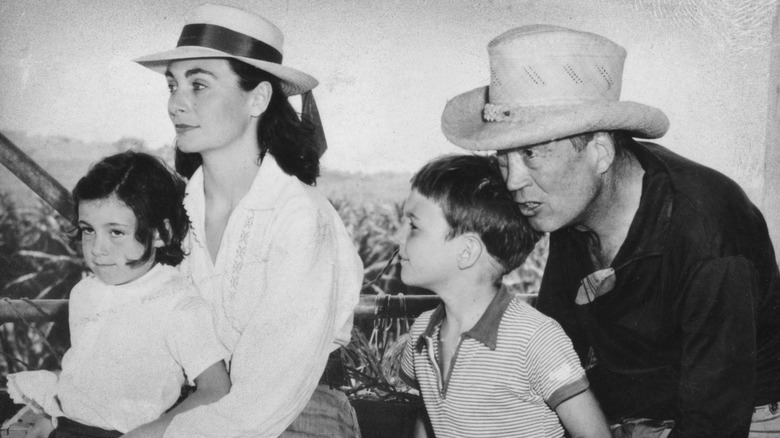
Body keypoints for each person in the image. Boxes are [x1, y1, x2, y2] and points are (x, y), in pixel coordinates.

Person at [441, 24, 780, 438]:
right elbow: (555, 346)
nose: (513, 181)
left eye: (531, 153)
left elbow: (715, 420)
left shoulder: (706, 230)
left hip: (744, 418)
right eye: (503, 158)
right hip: (638, 415)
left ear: (599, 151)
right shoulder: (570, 206)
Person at [133, 3, 363, 437]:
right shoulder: (175, 212)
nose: (175, 104)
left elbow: (271, 389)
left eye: (199, 85)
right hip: (195, 410)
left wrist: (160, 433)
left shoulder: (300, 216)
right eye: (172, 84)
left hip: (297, 415)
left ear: (258, 98)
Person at [6, 151, 231, 438]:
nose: (97, 249)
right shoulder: (84, 292)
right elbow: (87, 376)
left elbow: (216, 390)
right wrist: (54, 420)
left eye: (116, 232)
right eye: (88, 230)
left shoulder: (178, 305)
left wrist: (147, 434)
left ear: (161, 232)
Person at [397, 154, 611, 438]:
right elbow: (429, 417)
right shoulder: (421, 335)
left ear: (466, 252)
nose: (398, 238)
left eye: (413, 226)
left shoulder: (533, 338)